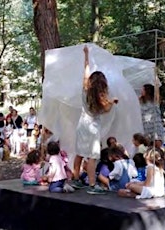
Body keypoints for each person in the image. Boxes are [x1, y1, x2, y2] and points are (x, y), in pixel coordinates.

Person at [72, 45, 119, 195]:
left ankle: (76, 178)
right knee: (92, 157)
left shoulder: (85, 90)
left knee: (79, 153)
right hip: (92, 127)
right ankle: (92, 185)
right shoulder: (103, 101)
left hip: (82, 124)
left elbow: (86, 70)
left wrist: (86, 55)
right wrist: (112, 102)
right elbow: (106, 111)